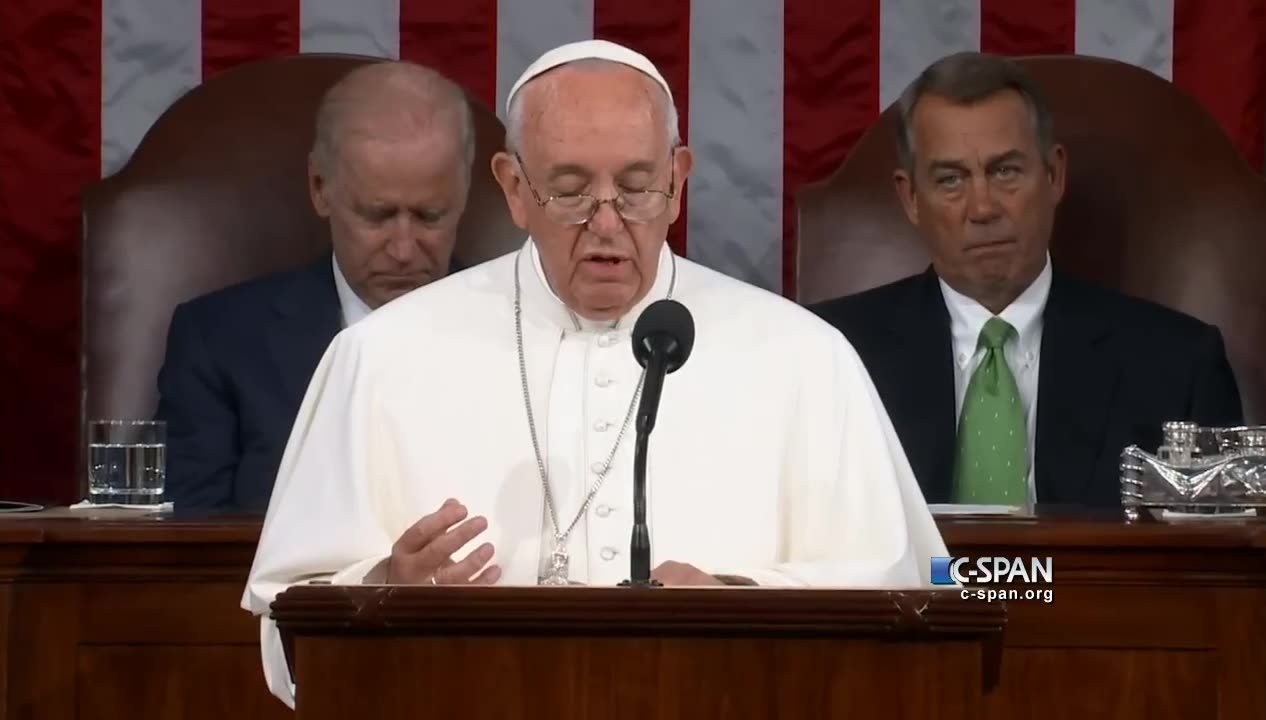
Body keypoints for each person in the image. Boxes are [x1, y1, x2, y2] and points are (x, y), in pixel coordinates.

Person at [241, 39, 947, 708]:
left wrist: (738, 600)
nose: (607, 224)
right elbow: (286, 623)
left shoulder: (804, 358)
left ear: (678, 182)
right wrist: (382, 589)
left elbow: (909, 595)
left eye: (637, 188)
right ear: (514, 189)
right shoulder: (379, 356)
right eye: (571, 191)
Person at [810, 52, 1243, 510]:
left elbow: (1220, 551)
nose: (982, 208)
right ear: (911, 198)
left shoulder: (1180, 366)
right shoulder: (826, 354)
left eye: (1005, 171)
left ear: (1054, 175)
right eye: (951, 179)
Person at [154, 61, 472, 512]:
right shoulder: (219, 344)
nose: (403, 250)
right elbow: (188, 542)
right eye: (377, 216)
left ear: (462, 194)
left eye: (429, 216)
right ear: (320, 187)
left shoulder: (528, 337)